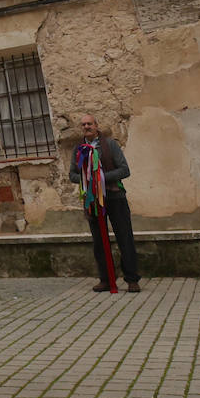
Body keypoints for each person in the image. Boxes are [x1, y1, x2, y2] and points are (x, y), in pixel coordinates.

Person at [69, 115, 141, 293]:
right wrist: (87, 180)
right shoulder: (79, 149)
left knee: (124, 237)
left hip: (115, 197)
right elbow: (72, 175)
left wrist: (99, 179)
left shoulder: (110, 145)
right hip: (93, 201)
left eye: (90, 124)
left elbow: (124, 170)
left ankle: (132, 279)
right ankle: (106, 279)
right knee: (99, 241)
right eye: (83, 124)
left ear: (96, 125)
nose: (87, 127)